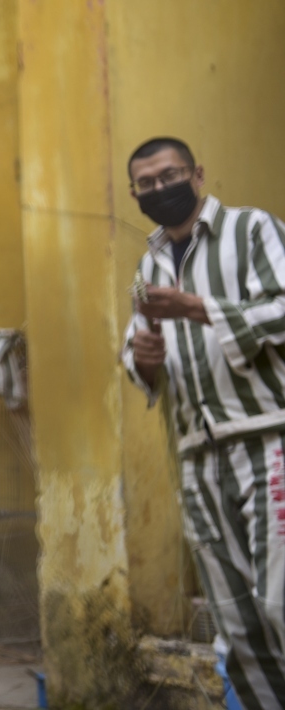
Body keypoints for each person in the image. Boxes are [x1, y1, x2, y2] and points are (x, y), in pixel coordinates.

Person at [122, 136, 285, 708]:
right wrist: (142, 360)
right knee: (236, 621)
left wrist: (200, 309)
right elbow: (136, 357)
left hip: (267, 437)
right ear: (135, 194)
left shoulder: (252, 230)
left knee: (280, 602)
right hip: (197, 452)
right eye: (146, 185)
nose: (160, 189)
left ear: (197, 173)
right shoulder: (148, 266)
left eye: (170, 175)